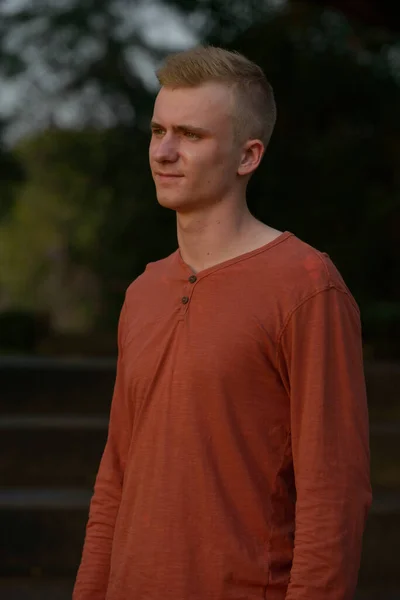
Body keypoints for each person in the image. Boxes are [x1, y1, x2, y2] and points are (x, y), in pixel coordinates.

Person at [73, 46, 372, 600]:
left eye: (190, 134)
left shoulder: (307, 286)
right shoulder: (142, 293)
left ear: (248, 155)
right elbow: (115, 476)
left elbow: (334, 493)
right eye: (157, 130)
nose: (163, 152)